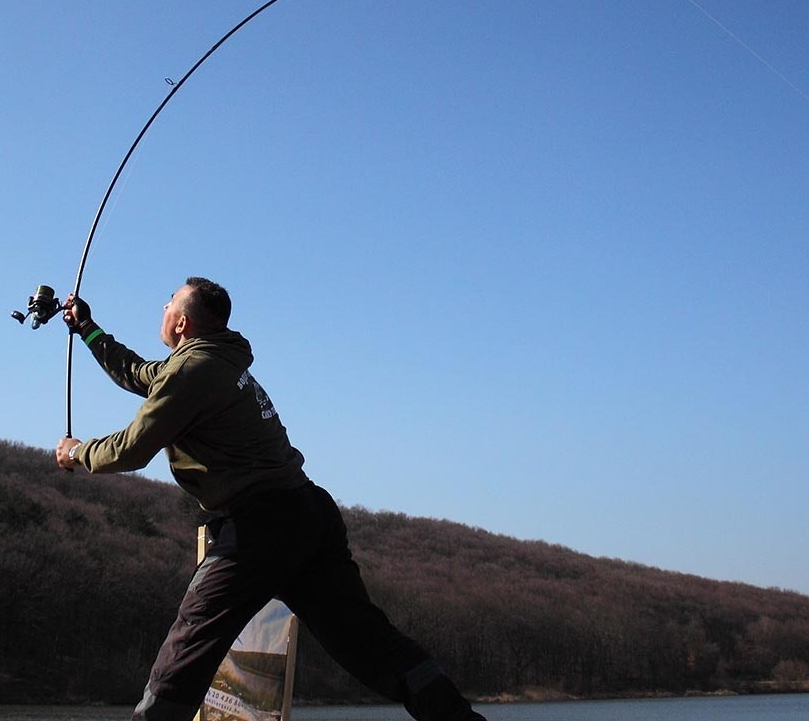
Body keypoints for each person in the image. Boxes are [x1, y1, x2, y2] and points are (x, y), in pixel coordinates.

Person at [55, 277, 486, 721]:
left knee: (189, 646)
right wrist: (88, 329)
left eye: (168, 303)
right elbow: (140, 373)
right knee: (369, 643)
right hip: (309, 513)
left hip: (261, 525)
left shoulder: (191, 372)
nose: (162, 307)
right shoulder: (215, 360)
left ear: (181, 323)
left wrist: (76, 453)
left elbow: (132, 448)